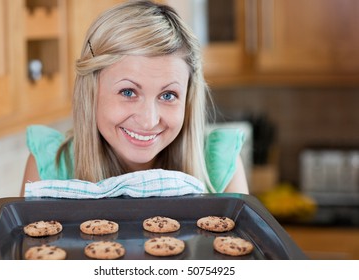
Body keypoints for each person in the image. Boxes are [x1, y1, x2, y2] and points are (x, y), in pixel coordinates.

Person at [20, 0, 249, 196]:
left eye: (168, 95)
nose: (149, 121)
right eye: (128, 92)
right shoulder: (49, 169)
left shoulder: (219, 169)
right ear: (90, 91)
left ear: (188, 98)